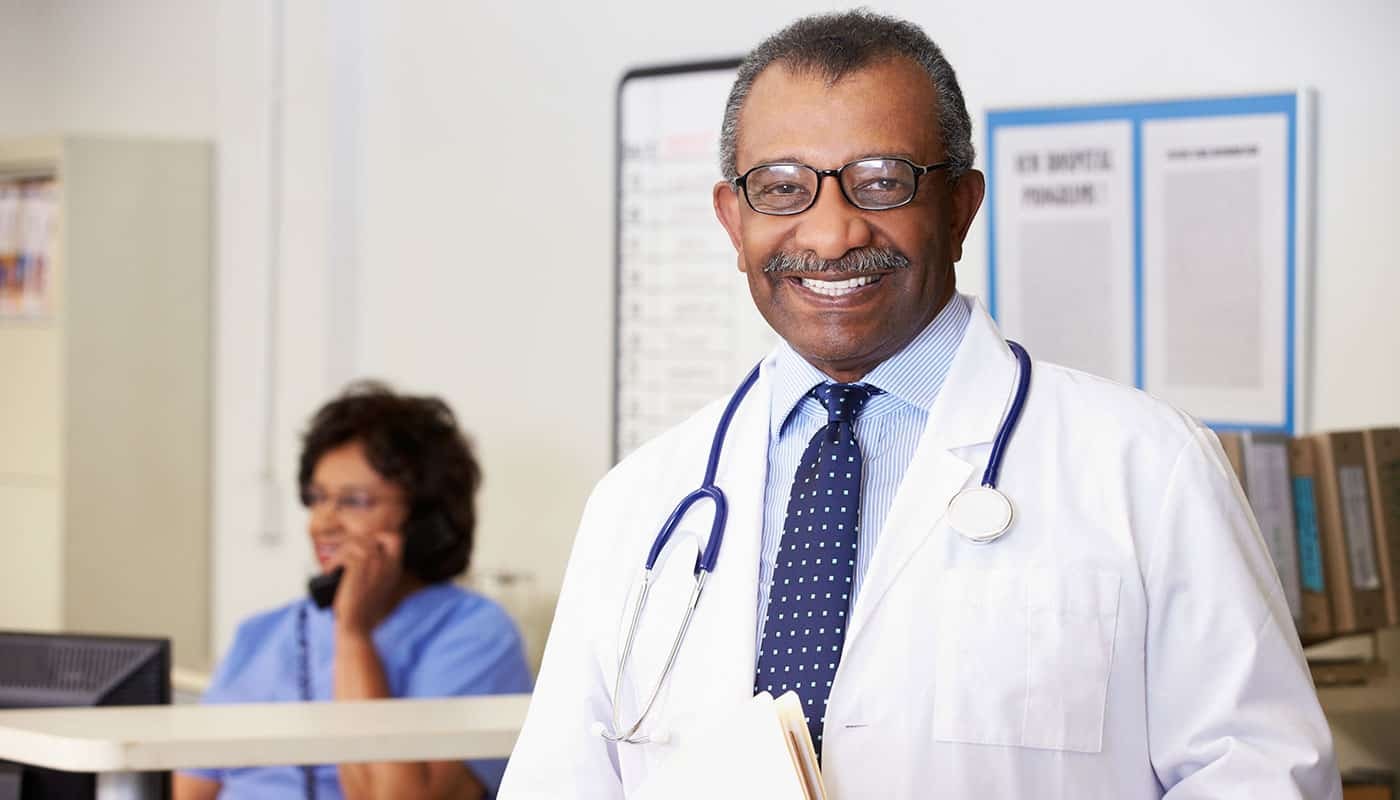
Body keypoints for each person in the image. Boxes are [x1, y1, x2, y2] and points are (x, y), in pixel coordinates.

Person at [501, 10, 1339, 799]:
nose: (831, 235)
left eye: (880, 182)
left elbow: (1262, 778)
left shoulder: (1148, 467)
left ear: (961, 205)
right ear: (732, 219)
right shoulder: (640, 503)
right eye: (783, 186)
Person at [175, 382, 532, 800]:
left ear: (423, 520)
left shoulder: (478, 635)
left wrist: (353, 632)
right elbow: (191, 790)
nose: (324, 522)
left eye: (355, 501)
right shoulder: (264, 633)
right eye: (318, 498)